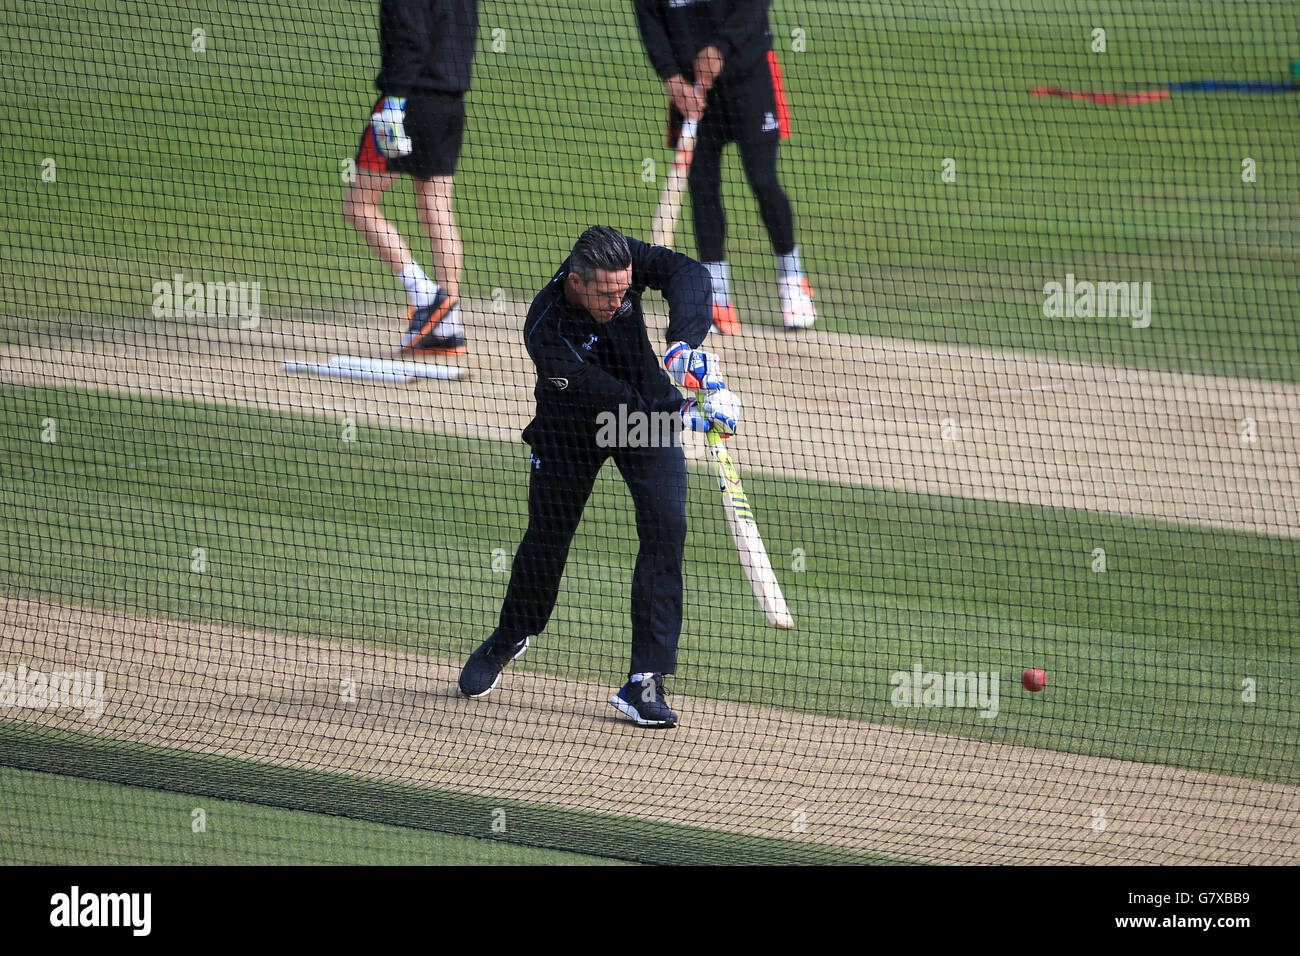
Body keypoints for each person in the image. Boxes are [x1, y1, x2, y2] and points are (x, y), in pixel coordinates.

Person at [458, 227, 742, 728]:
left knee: (665, 528)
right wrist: (685, 417)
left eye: (624, 290)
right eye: (607, 294)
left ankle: (644, 680)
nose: (618, 300)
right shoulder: (545, 332)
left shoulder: (620, 259)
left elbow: (690, 274)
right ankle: (512, 633)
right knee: (547, 537)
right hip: (575, 425)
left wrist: (683, 348)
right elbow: (614, 403)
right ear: (576, 282)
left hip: (648, 405)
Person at [633, 0, 816, 333]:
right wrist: (674, 81)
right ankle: (717, 297)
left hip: (749, 76)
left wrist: (720, 47)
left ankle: (793, 280)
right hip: (691, 90)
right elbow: (650, 22)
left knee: (763, 181)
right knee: (703, 191)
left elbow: (755, 6)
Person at [342, 0, 478, 355]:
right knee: (437, 207)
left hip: (409, 100)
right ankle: (448, 325)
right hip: (451, 101)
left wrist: (395, 101)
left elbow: (410, 39)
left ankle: (428, 297)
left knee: (359, 206)